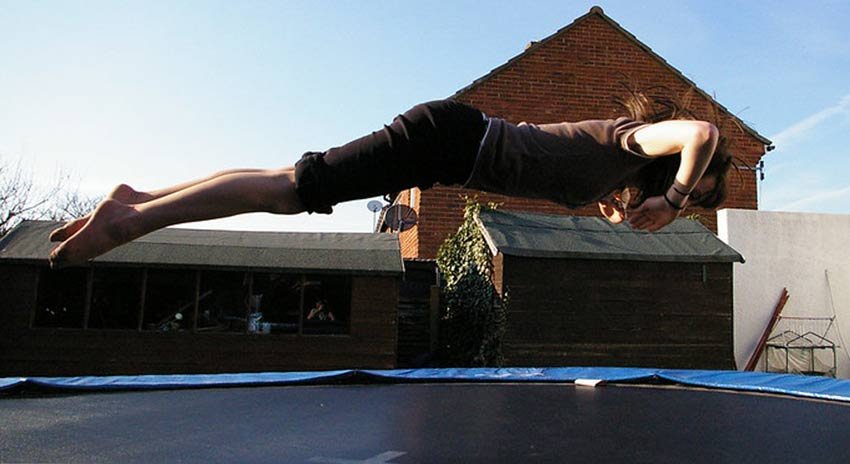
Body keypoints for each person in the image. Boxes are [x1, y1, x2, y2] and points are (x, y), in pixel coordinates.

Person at [48, 92, 731, 268]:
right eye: (693, 193)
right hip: (449, 140)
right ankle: (133, 223)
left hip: (448, 147)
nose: (684, 200)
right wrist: (673, 200)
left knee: (291, 180)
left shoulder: (615, 171)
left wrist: (628, 211)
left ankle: (137, 202)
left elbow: (566, 175)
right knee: (294, 192)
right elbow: (702, 134)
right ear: (673, 173)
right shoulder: (634, 138)